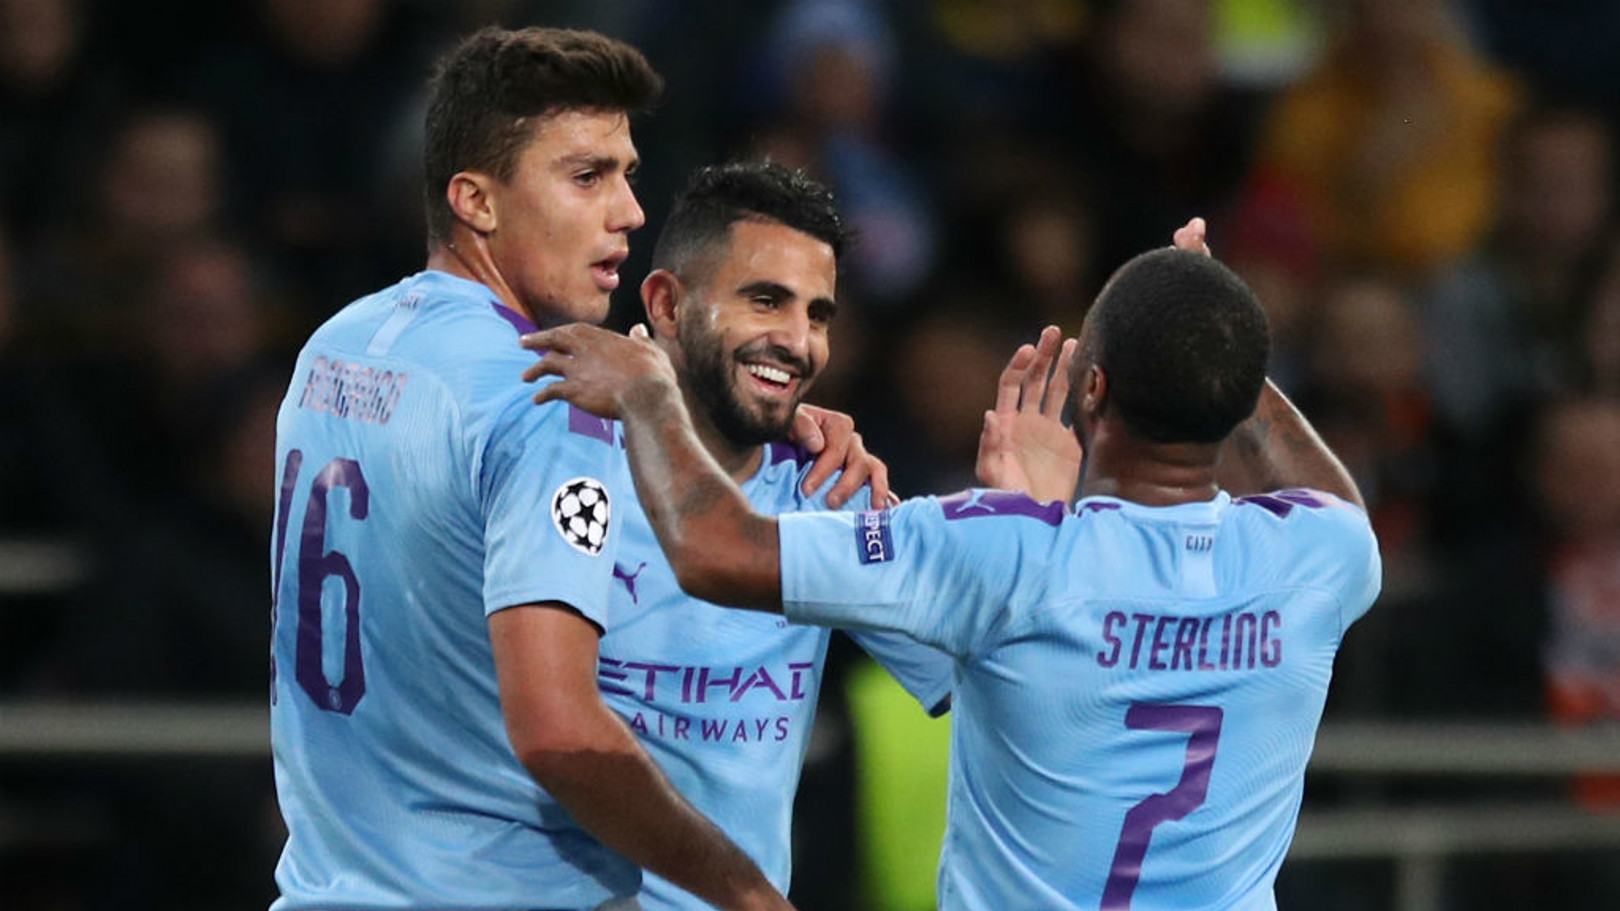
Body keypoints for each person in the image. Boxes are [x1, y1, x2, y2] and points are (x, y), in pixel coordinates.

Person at [520, 221, 1381, 909]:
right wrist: (1215, 331)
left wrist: (648, 394)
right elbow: (1334, 499)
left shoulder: (1003, 549)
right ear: (1238, 399)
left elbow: (713, 550)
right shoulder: (1319, 556)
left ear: (1090, 390)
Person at [269, 27, 877, 911]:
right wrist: (747, 894)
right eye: (587, 176)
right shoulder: (552, 394)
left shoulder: (336, 349)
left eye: (628, 173)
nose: (629, 210)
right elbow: (559, 731)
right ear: (476, 199)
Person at [599, 159, 953, 909]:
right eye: (766, 300)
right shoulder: (552, 457)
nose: (799, 342)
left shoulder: (833, 491)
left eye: (818, 314)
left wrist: (1039, 519)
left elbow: (984, 670)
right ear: (665, 304)